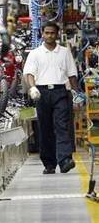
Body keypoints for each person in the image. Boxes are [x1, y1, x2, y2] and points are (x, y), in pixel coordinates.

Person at [24, 21, 79, 174]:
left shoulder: (64, 52)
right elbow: (29, 73)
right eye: (47, 33)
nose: (49, 35)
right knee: (45, 128)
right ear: (42, 34)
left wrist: (76, 93)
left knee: (62, 125)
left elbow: (72, 74)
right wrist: (32, 88)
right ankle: (49, 163)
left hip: (60, 92)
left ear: (57, 34)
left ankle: (65, 160)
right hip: (41, 93)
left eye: (52, 33)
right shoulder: (35, 53)